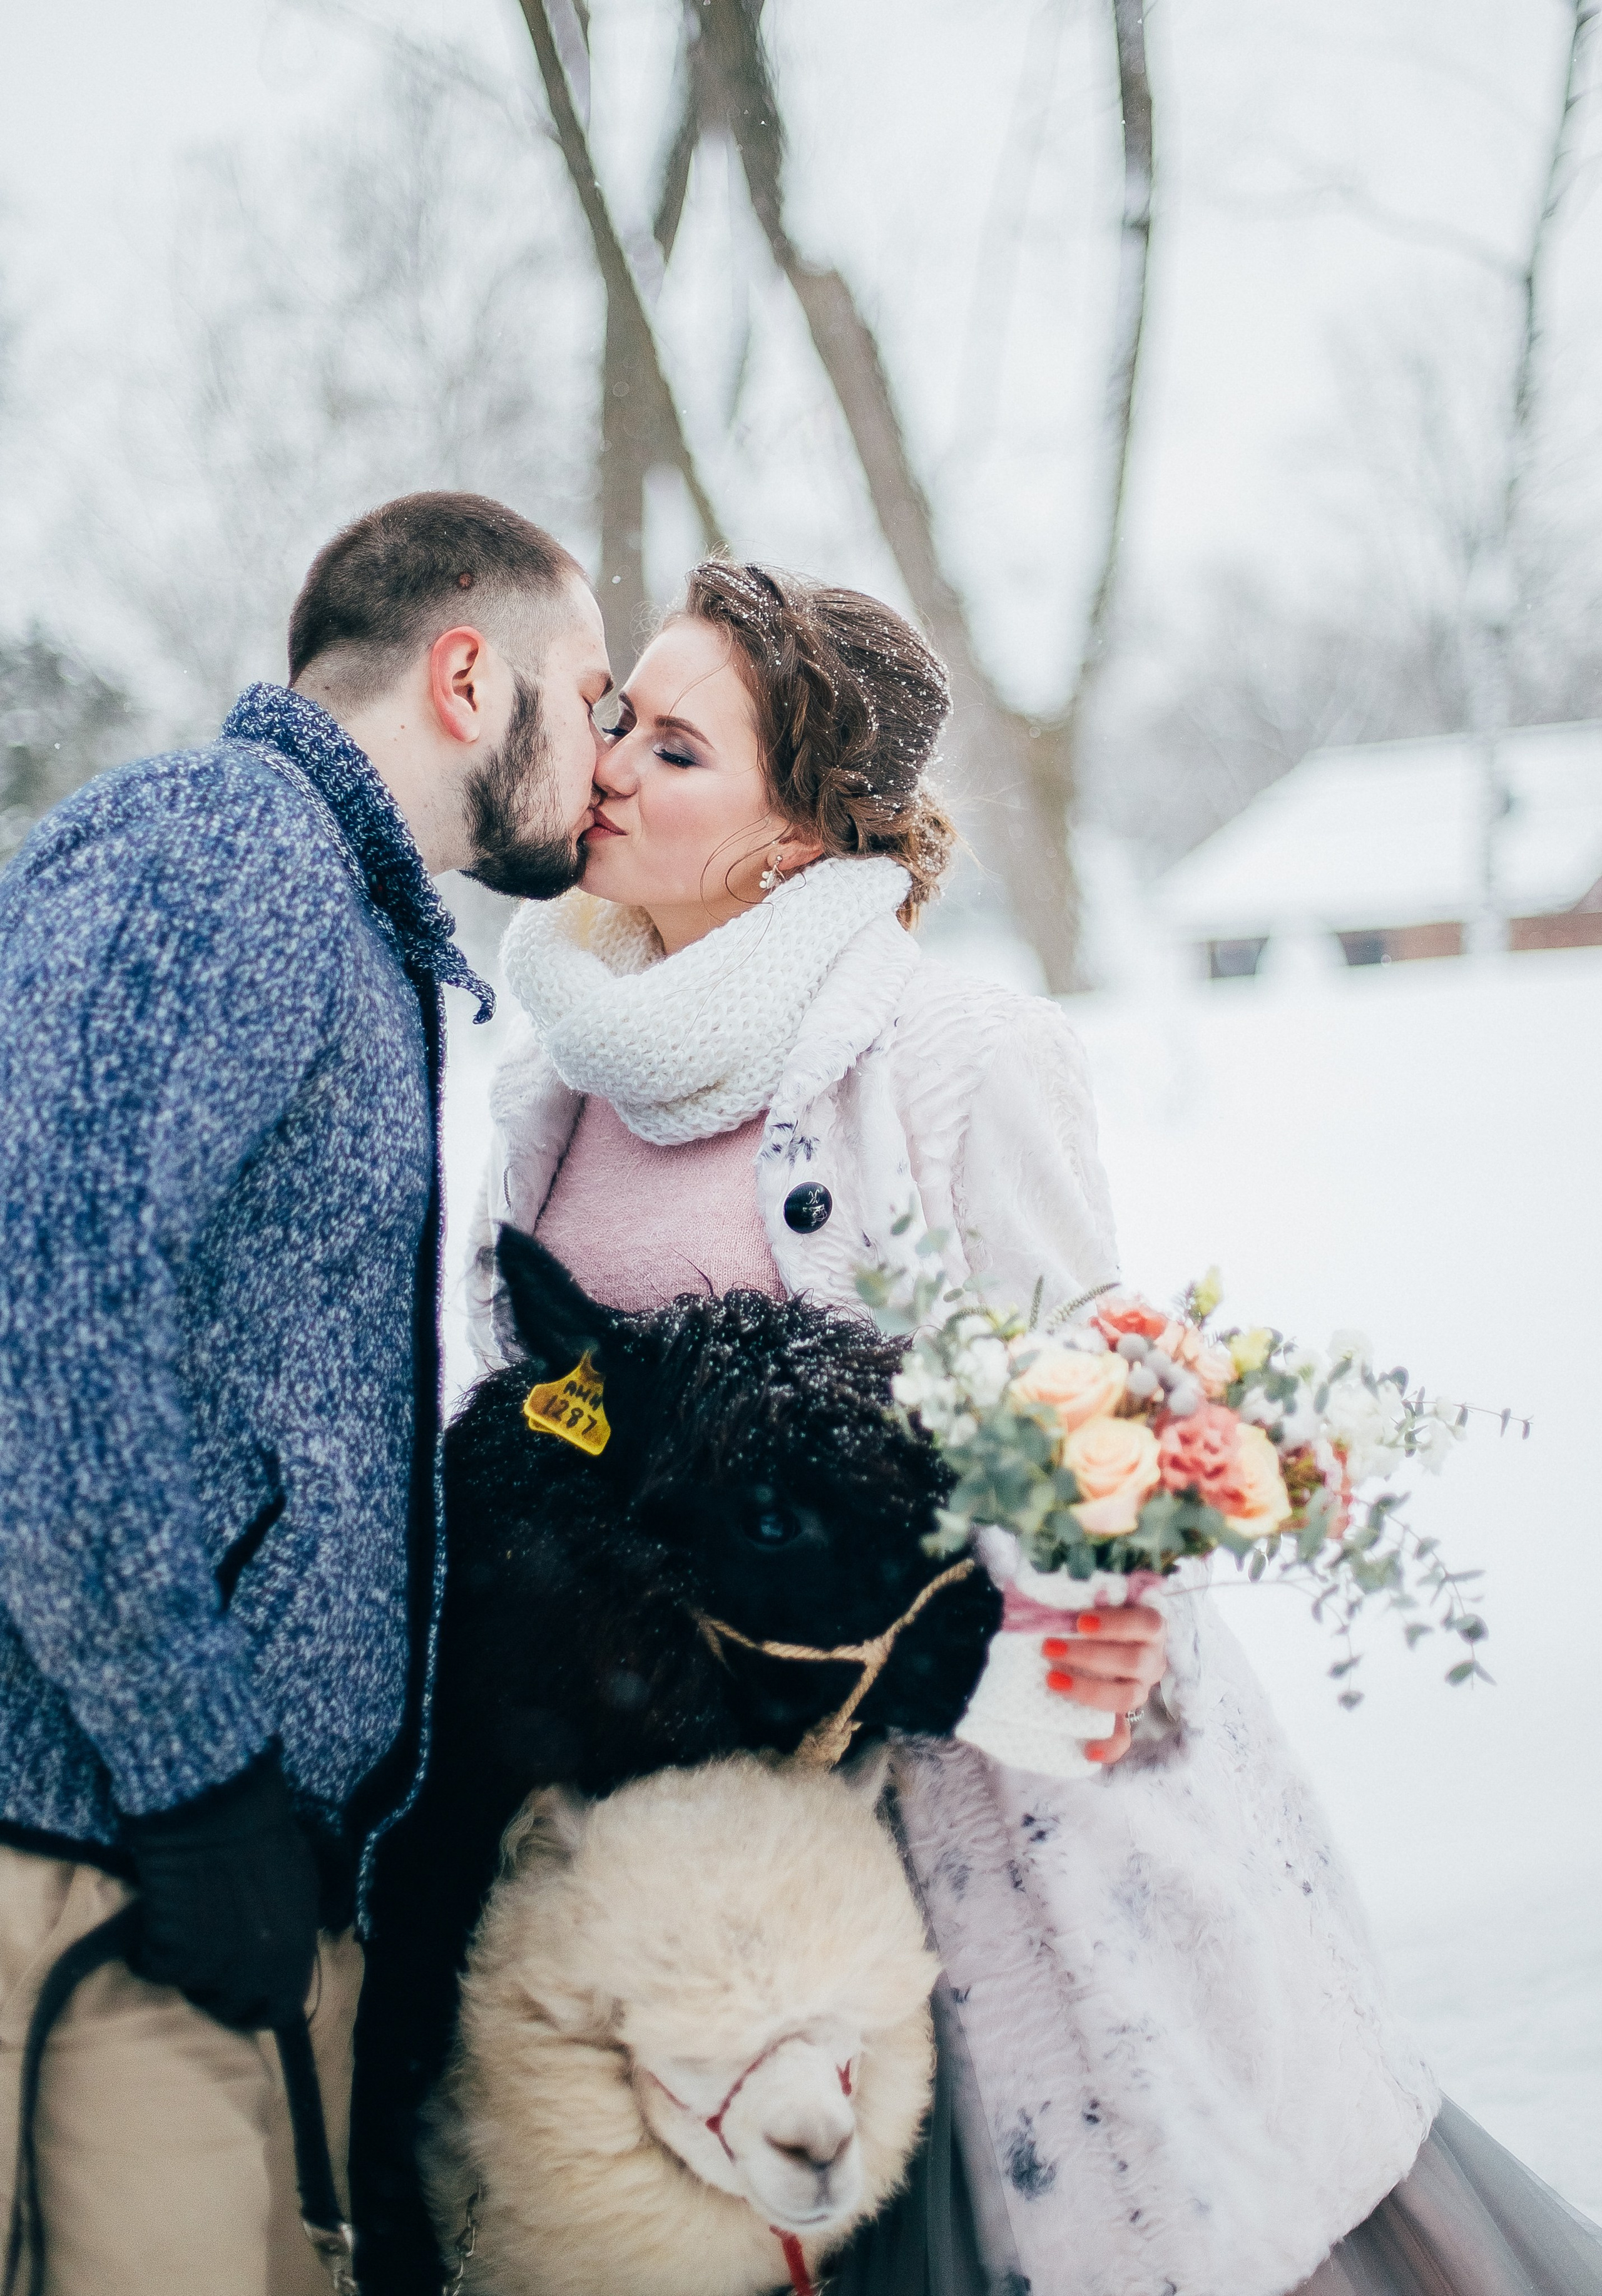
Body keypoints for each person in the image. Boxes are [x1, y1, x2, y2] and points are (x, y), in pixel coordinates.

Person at [470, 559, 1602, 2296]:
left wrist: (1065, 1622)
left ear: (797, 836)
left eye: (677, 748)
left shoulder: (953, 1050)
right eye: (621, 714)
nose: (608, 760)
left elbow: (1084, 1392)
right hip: (691, 1806)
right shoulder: (559, 1070)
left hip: (983, 1806)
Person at [0, 489, 611, 2296]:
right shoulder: (227, 843)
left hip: (230, 1877)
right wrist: (195, 1776)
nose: (603, 749)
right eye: (589, 696)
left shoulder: (340, 911)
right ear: (466, 676)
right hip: (110, 1866)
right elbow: (43, 1289)